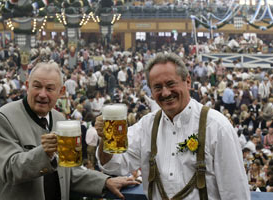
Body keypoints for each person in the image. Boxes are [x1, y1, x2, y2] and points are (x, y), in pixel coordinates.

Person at [96, 53, 250, 199]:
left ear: (187, 82)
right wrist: (105, 138)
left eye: (170, 84)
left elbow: (235, 193)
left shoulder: (217, 127)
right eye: (157, 87)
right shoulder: (146, 126)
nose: (165, 93)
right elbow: (112, 165)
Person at [0, 61, 138, 200]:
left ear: (61, 92)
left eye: (49, 88)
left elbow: (68, 173)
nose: (42, 94)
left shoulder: (60, 120)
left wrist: (105, 181)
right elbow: (10, 169)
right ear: (27, 86)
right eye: (37, 86)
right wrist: (45, 153)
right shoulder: (2, 118)